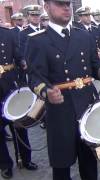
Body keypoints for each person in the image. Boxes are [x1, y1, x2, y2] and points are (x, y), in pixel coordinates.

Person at [25, 0, 100, 179]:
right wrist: (46, 92)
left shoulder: (83, 35)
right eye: (60, 4)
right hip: (60, 111)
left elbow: (94, 64)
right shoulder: (38, 41)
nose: (66, 8)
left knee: (90, 163)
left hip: (87, 107)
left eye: (67, 4)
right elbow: (35, 78)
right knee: (62, 167)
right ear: (47, 7)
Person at [0, 26, 38, 180]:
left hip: (10, 84)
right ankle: (5, 165)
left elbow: (17, 54)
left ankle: (25, 159)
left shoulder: (8, 33)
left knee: (19, 125)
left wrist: (23, 62)